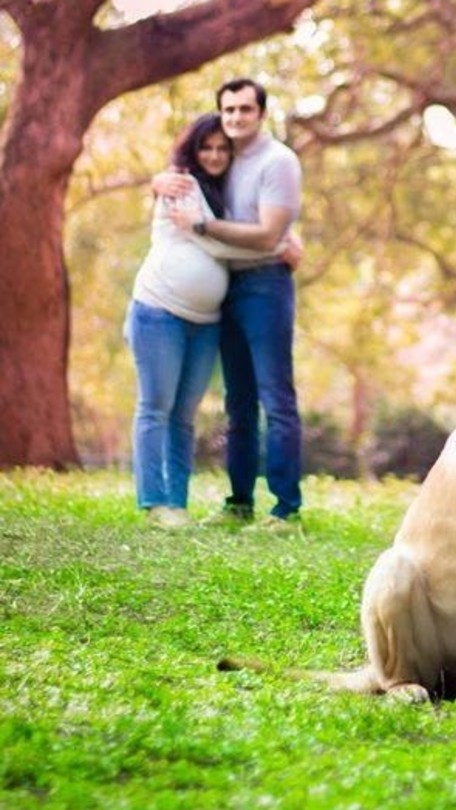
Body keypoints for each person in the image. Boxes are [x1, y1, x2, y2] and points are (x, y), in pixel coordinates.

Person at [127, 113, 291, 529]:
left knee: (184, 414)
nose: (216, 155)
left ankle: (176, 504)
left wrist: (282, 236)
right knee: (154, 408)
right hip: (159, 310)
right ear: (193, 149)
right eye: (207, 147)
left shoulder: (224, 194)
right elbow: (214, 243)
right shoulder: (181, 182)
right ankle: (153, 501)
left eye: (222, 148)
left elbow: (245, 225)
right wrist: (275, 247)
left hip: (205, 320)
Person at [159, 78, 304, 533]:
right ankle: (239, 501)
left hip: (265, 285)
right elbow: (179, 173)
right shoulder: (221, 156)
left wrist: (204, 227)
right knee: (238, 402)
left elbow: (266, 235)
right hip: (228, 287)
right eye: (229, 110)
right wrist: (157, 180)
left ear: (261, 113)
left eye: (245, 109)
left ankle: (285, 509)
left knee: (275, 399)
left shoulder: (278, 161)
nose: (236, 118)